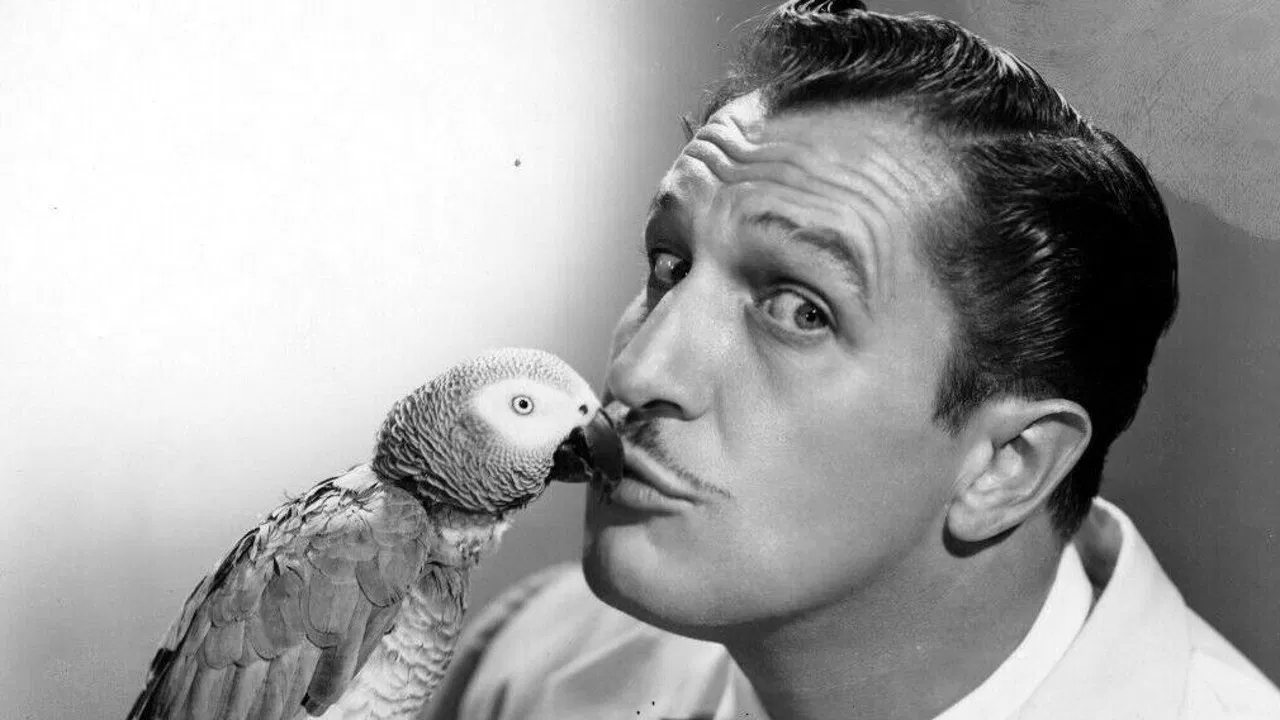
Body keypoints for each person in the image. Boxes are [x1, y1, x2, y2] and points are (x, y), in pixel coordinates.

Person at [425, 2, 1280, 718]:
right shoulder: (524, 668)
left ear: (1007, 465)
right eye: (669, 266)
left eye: (801, 312)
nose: (638, 373)